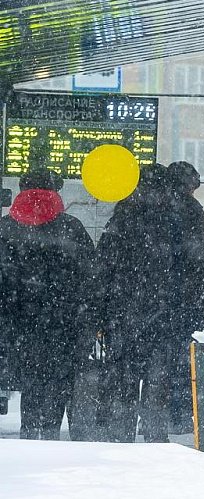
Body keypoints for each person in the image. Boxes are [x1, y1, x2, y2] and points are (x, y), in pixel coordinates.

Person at [0, 168, 94, 439]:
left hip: (18, 324)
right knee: (58, 381)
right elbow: (90, 276)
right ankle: (51, 434)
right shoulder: (71, 227)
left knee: (30, 379)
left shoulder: (6, 228)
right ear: (56, 191)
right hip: (63, 323)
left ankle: (29, 432)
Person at [97, 163, 183, 443]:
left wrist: (102, 310)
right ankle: (155, 437)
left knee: (124, 378)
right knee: (158, 380)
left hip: (124, 314)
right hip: (162, 314)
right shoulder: (172, 221)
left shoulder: (121, 218)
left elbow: (103, 268)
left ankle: (121, 434)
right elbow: (189, 267)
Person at [162, 161, 204, 434]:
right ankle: (182, 413)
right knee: (184, 357)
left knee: (163, 357)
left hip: (161, 298)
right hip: (187, 298)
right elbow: (200, 255)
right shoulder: (191, 210)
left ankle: (160, 411)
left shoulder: (155, 209)